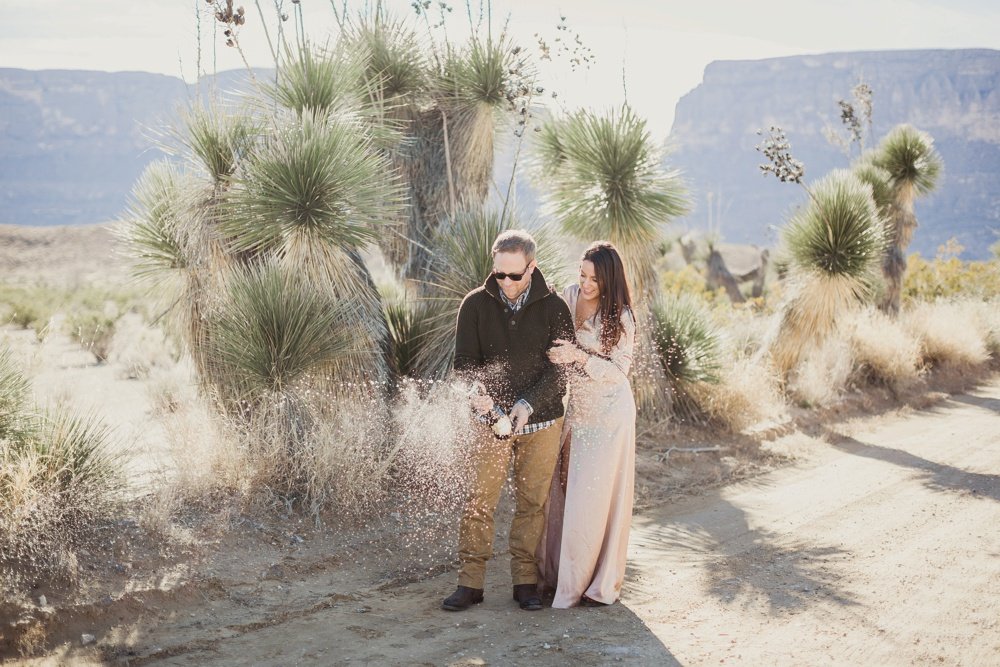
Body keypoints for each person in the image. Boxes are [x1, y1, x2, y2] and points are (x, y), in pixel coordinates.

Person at [442, 229, 575, 612]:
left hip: (542, 422)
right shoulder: (475, 305)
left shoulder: (554, 308)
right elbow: (464, 367)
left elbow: (561, 372)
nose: (506, 282)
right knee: (479, 501)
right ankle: (470, 583)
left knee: (532, 504)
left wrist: (527, 404)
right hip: (490, 422)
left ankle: (525, 583)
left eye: (514, 275)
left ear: (532, 267)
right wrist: (482, 402)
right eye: (499, 273)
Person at [539, 241, 637, 608]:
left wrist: (578, 357)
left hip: (610, 414)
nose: (586, 283)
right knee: (561, 488)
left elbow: (618, 373)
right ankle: (555, 575)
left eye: (594, 278)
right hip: (576, 408)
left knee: (592, 497)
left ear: (609, 279)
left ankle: (592, 584)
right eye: (582, 274)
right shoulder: (567, 295)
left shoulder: (622, 317)